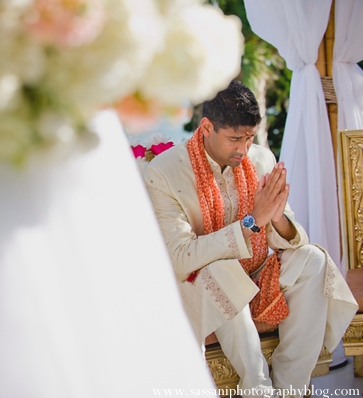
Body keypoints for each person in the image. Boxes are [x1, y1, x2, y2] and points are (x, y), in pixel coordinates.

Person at [143, 80, 357, 398]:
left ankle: (290, 387)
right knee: (222, 267)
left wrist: (278, 216)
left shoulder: (260, 159)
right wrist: (252, 222)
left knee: (313, 259)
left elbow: (290, 239)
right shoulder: (165, 172)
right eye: (234, 139)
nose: (243, 149)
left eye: (249, 137)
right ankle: (257, 387)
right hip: (200, 285)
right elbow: (180, 257)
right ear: (206, 127)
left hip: (256, 275)